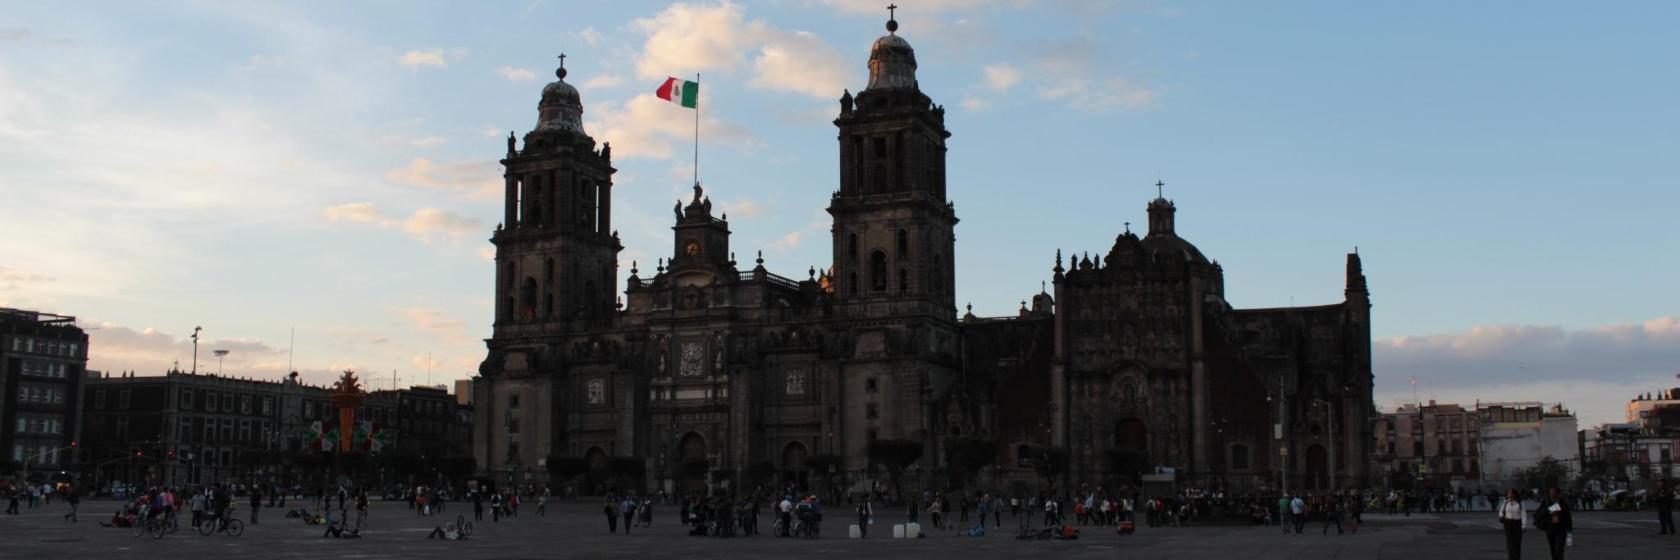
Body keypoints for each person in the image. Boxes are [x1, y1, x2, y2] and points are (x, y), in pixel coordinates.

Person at [1535, 487, 1572, 560]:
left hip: (1561, 528)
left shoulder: (1563, 502)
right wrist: (1549, 510)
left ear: (1558, 494)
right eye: (1550, 492)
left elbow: (1568, 516)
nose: (1551, 494)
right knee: (1552, 548)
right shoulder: (1546, 502)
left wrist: (1569, 530)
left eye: (1553, 492)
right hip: (1550, 528)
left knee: (1559, 548)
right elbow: (1538, 512)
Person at [1499, 489, 1525, 560]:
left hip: (1517, 523)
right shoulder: (1505, 502)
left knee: (1517, 542)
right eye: (1508, 493)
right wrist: (1501, 516)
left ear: (1514, 494)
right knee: (1510, 542)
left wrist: (1523, 526)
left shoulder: (1519, 503)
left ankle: (1517, 557)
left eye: (1510, 493)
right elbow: (1501, 511)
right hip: (1508, 523)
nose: (1509, 495)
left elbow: (1523, 515)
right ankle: (1511, 557)